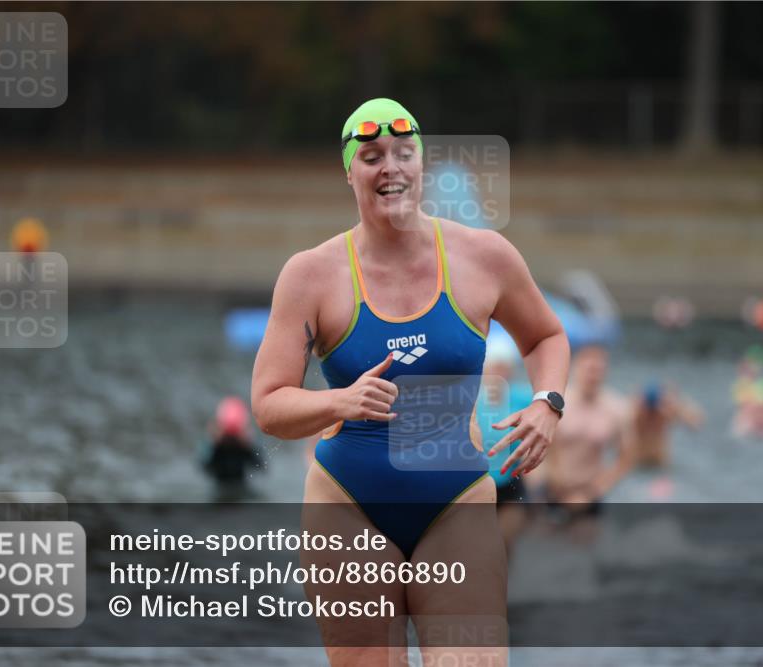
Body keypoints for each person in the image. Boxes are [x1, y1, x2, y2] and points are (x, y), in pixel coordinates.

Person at [250, 98, 569, 666]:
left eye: (403, 153)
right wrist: (339, 402)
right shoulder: (311, 275)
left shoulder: (483, 256)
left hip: (456, 501)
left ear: (422, 162)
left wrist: (548, 402)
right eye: (371, 157)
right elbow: (269, 405)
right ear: (349, 172)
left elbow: (546, 338)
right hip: (347, 507)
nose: (389, 168)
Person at [536, 344, 633, 521]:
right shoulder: (557, 402)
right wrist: (553, 480)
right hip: (550, 486)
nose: (593, 375)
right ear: (575, 368)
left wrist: (597, 489)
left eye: (598, 370)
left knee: (586, 541)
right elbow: (542, 443)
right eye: (589, 369)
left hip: (588, 491)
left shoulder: (617, 409)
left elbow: (626, 457)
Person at [472, 335, 534, 556]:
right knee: (477, 547)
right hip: (476, 483)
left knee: (504, 545)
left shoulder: (523, 397)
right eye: (496, 367)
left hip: (510, 481)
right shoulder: (470, 398)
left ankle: (505, 587)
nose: (500, 373)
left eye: (505, 367)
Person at [201, 397, 264, 499]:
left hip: (241, 487)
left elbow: (261, 466)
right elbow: (204, 465)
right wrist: (214, 444)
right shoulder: (217, 446)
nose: (231, 440)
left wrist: (249, 445)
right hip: (219, 489)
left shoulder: (244, 446)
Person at [631, 382, 704, 468]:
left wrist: (678, 403)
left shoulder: (664, 415)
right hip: (639, 463)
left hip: (659, 464)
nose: (652, 412)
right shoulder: (636, 414)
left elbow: (697, 422)